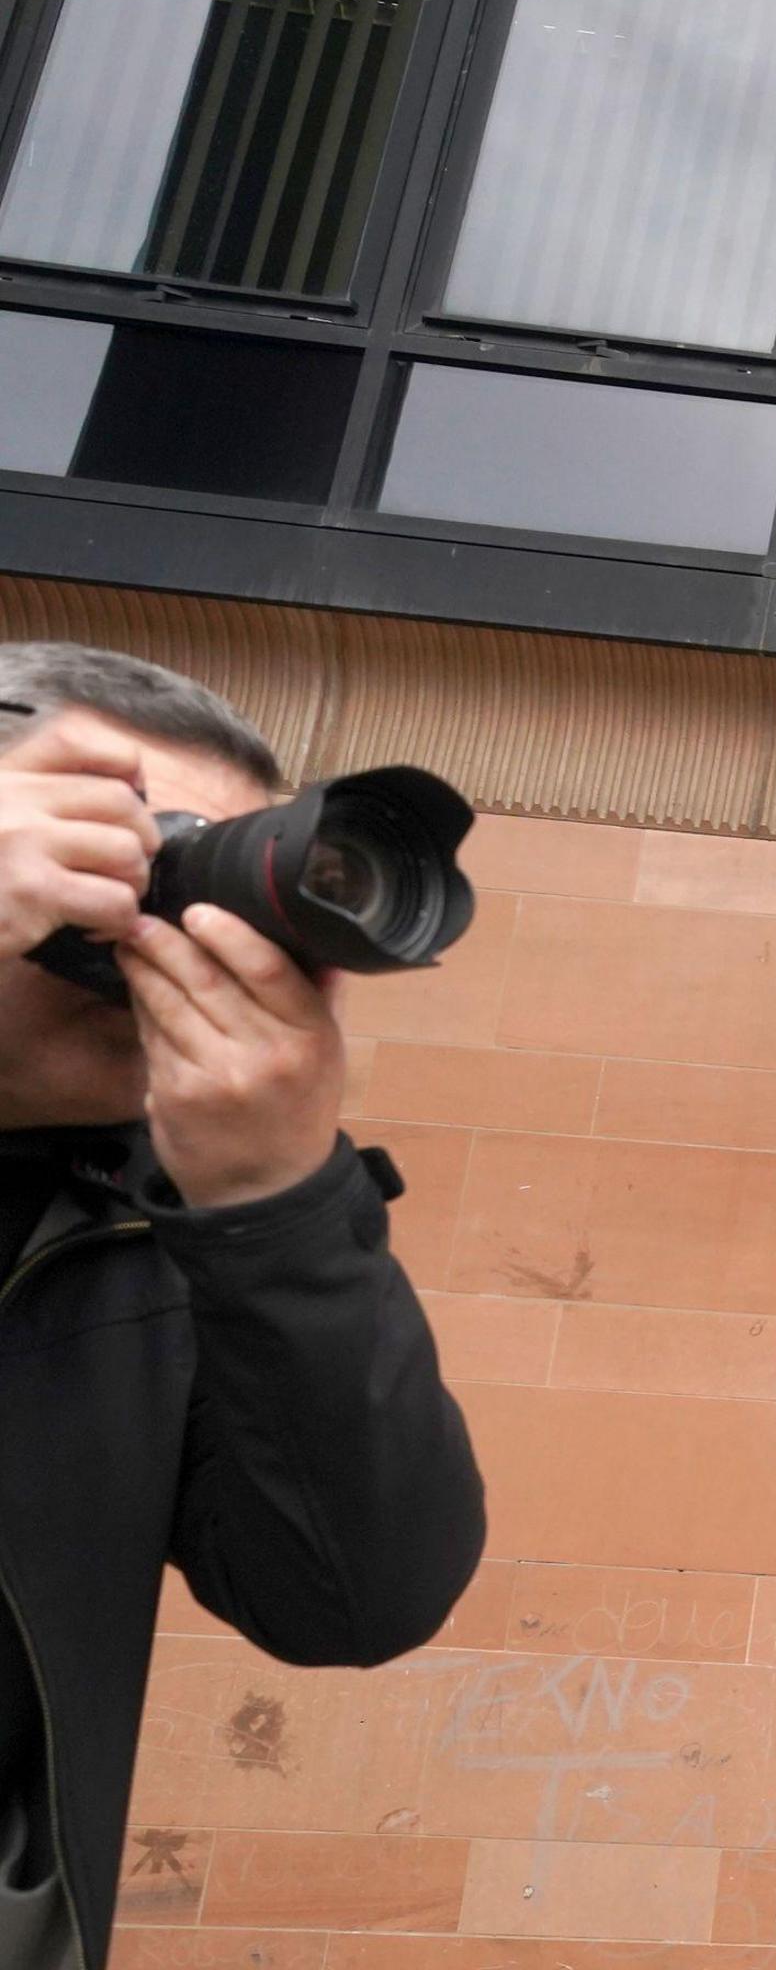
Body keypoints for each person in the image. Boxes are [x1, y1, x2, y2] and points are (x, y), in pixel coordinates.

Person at [0, 643, 487, 1970]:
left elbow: (355, 1595)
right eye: (121, 849)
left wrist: (277, 1204)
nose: (157, 922)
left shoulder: (161, 1244)